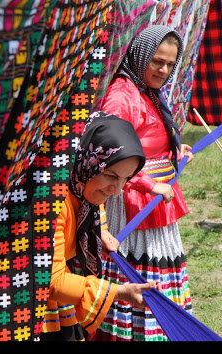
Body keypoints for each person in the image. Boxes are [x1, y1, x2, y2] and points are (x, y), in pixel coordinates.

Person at [89, 25, 194, 341]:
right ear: (140, 56)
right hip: (132, 205)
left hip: (155, 203)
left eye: (169, 64)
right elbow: (108, 155)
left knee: (156, 276)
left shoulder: (145, 92)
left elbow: (147, 140)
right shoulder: (122, 96)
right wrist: (150, 184)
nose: (163, 70)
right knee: (140, 278)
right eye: (156, 61)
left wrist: (175, 151)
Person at [40, 111, 161, 341]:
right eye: (110, 175)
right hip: (33, 307)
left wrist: (101, 231)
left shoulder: (83, 190)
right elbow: (52, 282)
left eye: (125, 179)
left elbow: (96, 208)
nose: (116, 190)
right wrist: (119, 292)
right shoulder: (52, 204)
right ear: (87, 162)